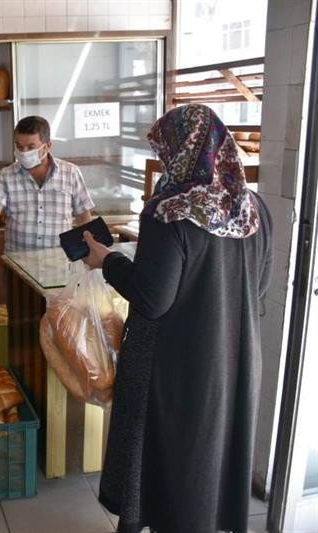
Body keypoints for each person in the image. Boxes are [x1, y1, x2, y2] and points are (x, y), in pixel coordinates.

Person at [82, 104, 272, 533]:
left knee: (165, 452)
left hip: (176, 363)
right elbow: (258, 288)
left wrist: (108, 260)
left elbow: (152, 299)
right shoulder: (254, 208)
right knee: (215, 450)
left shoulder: (170, 212)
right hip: (236, 356)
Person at [0, 115, 94, 256]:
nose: (24, 152)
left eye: (31, 147)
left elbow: (83, 216)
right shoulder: (5, 175)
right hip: (18, 262)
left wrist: (90, 248)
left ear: (48, 146)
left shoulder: (71, 173)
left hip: (59, 260)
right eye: (19, 146)